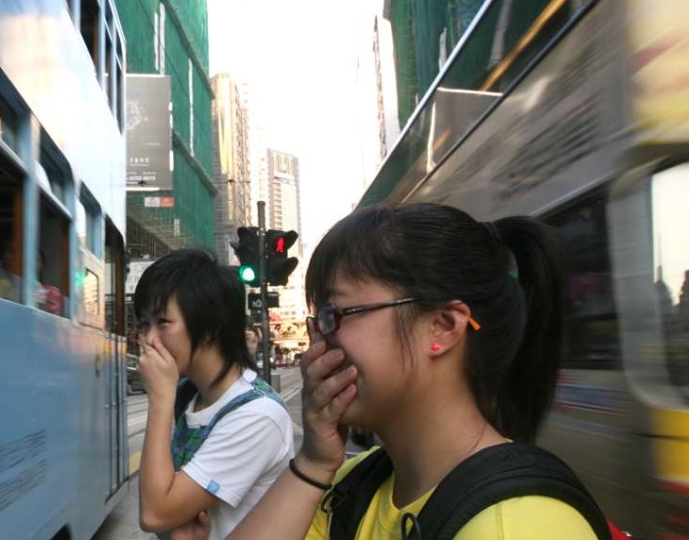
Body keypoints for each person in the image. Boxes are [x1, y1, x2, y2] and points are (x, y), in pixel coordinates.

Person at [214, 203, 609, 539]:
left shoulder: (520, 527)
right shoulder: (351, 484)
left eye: (336, 314)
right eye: (317, 321)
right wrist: (314, 463)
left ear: (443, 327)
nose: (316, 349)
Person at [135, 248, 294, 540]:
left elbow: (154, 513)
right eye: (144, 324)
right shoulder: (187, 395)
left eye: (162, 322)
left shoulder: (257, 415)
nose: (148, 339)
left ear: (210, 326)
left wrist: (159, 398)